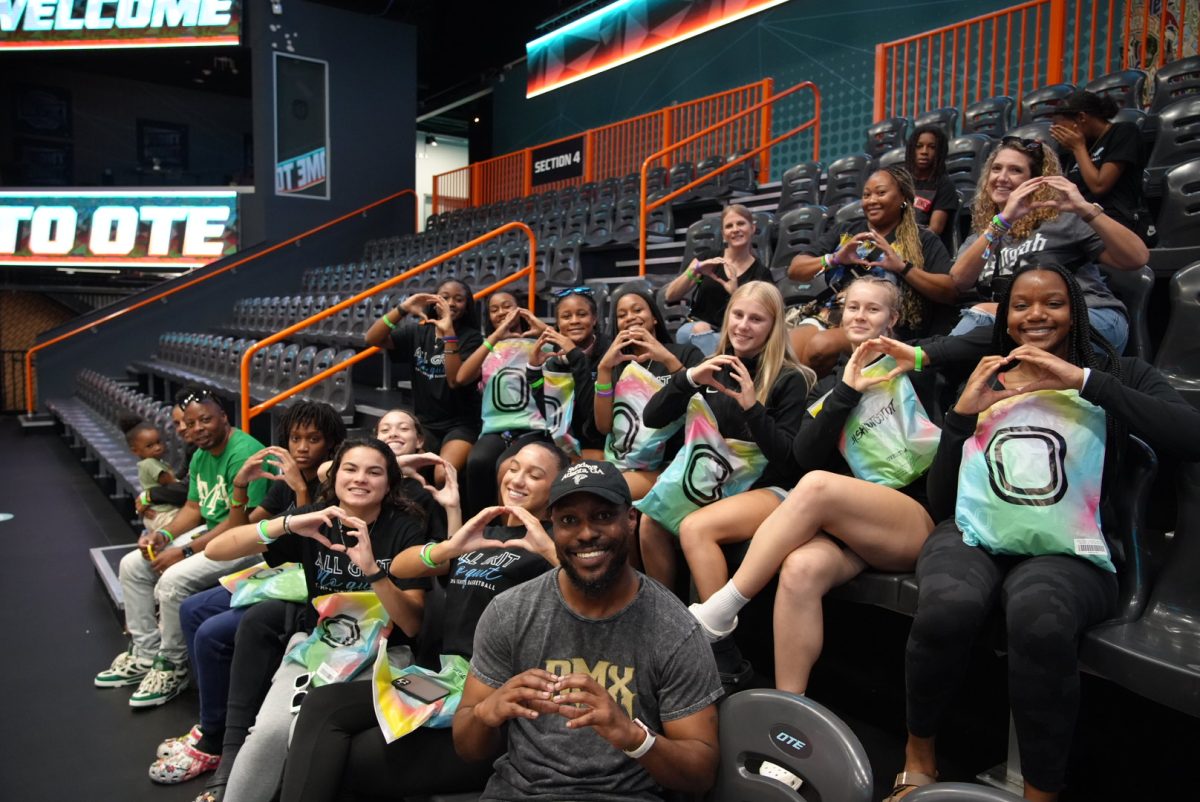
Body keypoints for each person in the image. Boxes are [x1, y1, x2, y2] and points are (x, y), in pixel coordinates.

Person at [883, 263, 1200, 801]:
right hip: (975, 533)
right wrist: (960, 420)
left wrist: (1083, 382)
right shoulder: (985, 377)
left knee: (1037, 616)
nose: (1035, 315)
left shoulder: (1118, 372)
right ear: (1004, 318)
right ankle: (919, 755)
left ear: (1074, 309)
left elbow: (1190, 435)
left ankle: (1040, 792)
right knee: (946, 606)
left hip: (1073, 547)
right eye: (1021, 305)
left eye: (1051, 303)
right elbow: (943, 501)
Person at [279, 440, 570, 802]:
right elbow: (401, 565)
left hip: (488, 699)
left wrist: (550, 552)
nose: (518, 479)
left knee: (346, 756)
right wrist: (450, 547)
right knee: (322, 705)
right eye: (514, 467)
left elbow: (593, 597)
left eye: (535, 474)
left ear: (557, 487)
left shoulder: (557, 544)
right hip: (444, 681)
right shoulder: (486, 532)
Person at [688, 277, 938, 694]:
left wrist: (910, 358)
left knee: (818, 485)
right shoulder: (826, 387)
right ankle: (791, 704)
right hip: (850, 532)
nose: (859, 315)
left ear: (893, 318)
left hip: (909, 520)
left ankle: (721, 610)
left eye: (872, 309)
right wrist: (845, 393)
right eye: (853, 307)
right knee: (800, 569)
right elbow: (802, 456)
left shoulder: (917, 367)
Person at [453, 460, 723, 801]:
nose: (585, 533)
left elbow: (701, 773)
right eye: (569, 520)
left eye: (602, 516)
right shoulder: (510, 612)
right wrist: (486, 712)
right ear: (553, 528)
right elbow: (467, 747)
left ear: (630, 519)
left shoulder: (675, 628)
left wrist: (632, 736)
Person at [179, 439, 434, 799]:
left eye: (374, 472)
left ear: (389, 483)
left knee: (307, 731)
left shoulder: (405, 528)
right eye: (351, 468)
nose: (360, 479)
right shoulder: (315, 518)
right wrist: (284, 524)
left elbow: (412, 625)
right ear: (335, 476)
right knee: (268, 733)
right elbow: (216, 549)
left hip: (384, 656)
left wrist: (374, 572)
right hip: (318, 647)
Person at [152, 402, 346, 780]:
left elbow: (313, 548)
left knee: (211, 633)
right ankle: (213, 719)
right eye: (295, 438)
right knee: (192, 609)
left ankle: (214, 739)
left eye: (313, 439)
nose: (302, 447)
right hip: (277, 573)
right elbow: (238, 533)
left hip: (309, 581)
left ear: (332, 444)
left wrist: (301, 490)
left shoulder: (331, 482)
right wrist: (240, 484)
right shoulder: (280, 484)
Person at [638, 282, 814, 600]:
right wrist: (689, 378)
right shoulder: (711, 367)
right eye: (738, 315)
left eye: (756, 319)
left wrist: (752, 408)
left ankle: (717, 641)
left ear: (774, 327)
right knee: (651, 520)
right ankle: (665, 618)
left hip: (768, 489)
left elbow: (788, 459)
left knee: (694, 526)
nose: (743, 326)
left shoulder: (792, 378)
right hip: (714, 483)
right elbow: (651, 418)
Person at [95, 389, 268, 707]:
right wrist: (164, 536)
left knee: (173, 580)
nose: (198, 428)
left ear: (223, 418)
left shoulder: (244, 453)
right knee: (132, 565)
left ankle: (172, 667)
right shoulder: (202, 454)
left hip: (247, 542)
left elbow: (241, 524)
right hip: (213, 531)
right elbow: (193, 508)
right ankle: (146, 654)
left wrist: (185, 551)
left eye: (206, 419)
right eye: (191, 422)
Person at [947, 136, 1149, 354]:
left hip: (1091, 318)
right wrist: (1001, 222)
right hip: (1022, 327)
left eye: (1015, 170)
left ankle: (929, 363)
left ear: (1037, 181)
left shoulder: (1063, 220)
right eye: (996, 169)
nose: (1002, 178)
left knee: (980, 320)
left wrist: (1086, 209)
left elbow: (1136, 258)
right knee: (973, 351)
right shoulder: (983, 235)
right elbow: (959, 280)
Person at [788, 166, 958, 376]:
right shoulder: (846, 231)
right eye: (866, 195)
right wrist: (834, 258)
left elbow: (950, 290)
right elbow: (795, 270)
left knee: (820, 346)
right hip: (830, 314)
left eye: (881, 193)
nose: (872, 200)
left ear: (903, 197)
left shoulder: (923, 239)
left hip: (882, 324)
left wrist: (902, 267)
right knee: (785, 352)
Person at [592, 281, 704, 499]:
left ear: (654, 317)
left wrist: (667, 359)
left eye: (637, 310)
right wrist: (604, 369)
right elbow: (604, 426)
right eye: (622, 314)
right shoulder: (615, 365)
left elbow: (705, 407)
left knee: (601, 492)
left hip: (672, 462)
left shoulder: (684, 353)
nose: (630, 317)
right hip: (624, 460)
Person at [366, 278, 483, 479]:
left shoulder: (472, 338)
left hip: (460, 424)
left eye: (458, 299)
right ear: (433, 301)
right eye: (444, 297)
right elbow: (372, 338)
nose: (451, 303)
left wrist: (448, 333)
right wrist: (402, 309)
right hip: (425, 423)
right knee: (397, 468)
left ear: (467, 306)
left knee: (441, 475)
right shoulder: (418, 331)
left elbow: (454, 380)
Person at [458, 291, 555, 515]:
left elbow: (570, 356)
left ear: (520, 310)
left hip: (535, 427)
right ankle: (481, 528)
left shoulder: (541, 343)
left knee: (506, 467)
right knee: (477, 462)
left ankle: (511, 529)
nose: (501, 312)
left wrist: (545, 331)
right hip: (496, 428)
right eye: (494, 309)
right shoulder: (487, 348)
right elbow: (462, 377)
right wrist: (497, 337)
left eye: (507, 306)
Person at [663, 204, 774, 356]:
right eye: (729, 226)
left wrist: (735, 293)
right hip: (693, 327)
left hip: (734, 334)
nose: (735, 229)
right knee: (702, 329)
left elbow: (762, 315)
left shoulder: (761, 274)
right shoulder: (708, 258)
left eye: (741, 223)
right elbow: (670, 295)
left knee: (727, 343)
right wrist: (693, 271)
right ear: (723, 234)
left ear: (752, 228)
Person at [1050, 89, 1149, 242]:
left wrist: (1078, 148)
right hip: (1078, 222)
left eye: (1062, 129)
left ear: (1082, 117)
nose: (1059, 136)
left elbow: (1099, 186)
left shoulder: (1124, 132)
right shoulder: (1073, 147)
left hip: (1114, 220)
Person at [528, 286, 611, 458]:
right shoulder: (555, 359)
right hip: (564, 440)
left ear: (594, 319)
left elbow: (594, 417)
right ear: (558, 324)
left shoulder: (609, 354)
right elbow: (550, 412)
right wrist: (534, 371)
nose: (574, 321)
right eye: (566, 316)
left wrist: (576, 358)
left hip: (601, 440)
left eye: (582, 314)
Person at [906, 124, 960, 253]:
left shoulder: (945, 185)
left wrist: (903, 245)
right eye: (919, 146)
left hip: (926, 251)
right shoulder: (903, 181)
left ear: (939, 152)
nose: (924, 151)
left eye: (932, 147)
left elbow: (934, 230)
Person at [124, 416, 180, 532]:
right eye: (150, 446)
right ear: (135, 451)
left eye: (159, 442)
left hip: (155, 513)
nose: (158, 447)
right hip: (163, 513)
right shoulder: (150, 463)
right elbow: (169, 482)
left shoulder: (154, 462)